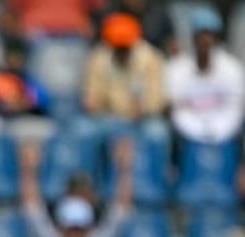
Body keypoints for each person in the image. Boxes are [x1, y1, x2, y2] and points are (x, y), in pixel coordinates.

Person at [166, 7, 245, 144]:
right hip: (188, 132)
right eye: (200, 35)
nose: (204, 41)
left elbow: (234, 107)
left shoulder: (232, 68)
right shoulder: (177, 68)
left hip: (224, 131)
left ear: (216, 38)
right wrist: (199, 131)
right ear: (192, 37)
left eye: (209, 35)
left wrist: (215, 130)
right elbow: (177, 109)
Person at [84, 12, 166, 121]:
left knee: (156, 131)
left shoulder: (150, 57)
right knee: (83, 128)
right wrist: (93, 103)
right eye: (118, 47)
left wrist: (145, 107)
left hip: (141, 119)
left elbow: (158, 97)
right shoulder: (99, 58)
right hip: (108, 116)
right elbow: (92, 95)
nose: (122, 51)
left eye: (125, 47)